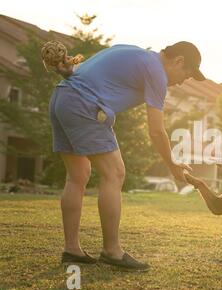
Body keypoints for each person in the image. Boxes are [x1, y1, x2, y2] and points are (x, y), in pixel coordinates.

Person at [48, 41, 204, 271]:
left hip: (61, 99)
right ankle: (112, 251)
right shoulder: (157, 72)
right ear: (178, 61)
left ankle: (72, 249)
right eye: (186, 75)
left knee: (77, 176)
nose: (182, 81)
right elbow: (156, 130)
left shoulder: (130, 51)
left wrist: (65, 68)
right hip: (84, 105)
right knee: (115, 173)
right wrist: (173, 165)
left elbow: (79, 71)